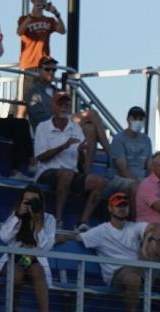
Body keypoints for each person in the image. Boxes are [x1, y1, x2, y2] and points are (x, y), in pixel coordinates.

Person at [61, 191, 160, 312]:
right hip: (117, 273)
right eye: (118, 205)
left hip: (139, 268)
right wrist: (61, 237)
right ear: (110, 208)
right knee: (133, 278)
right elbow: (78, 237)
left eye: (125, 205)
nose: (122, 208)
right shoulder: (101, 230)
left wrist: (149, 238)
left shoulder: (134, 226)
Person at [32, 92, 104, 229]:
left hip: (71, 171)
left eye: (66, 105)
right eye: (60, 104)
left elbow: (80, 162)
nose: (64, 107)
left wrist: (81, 152)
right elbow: (40, 156)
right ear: (53, 107)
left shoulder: (76, 128)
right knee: (66, 174)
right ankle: (58, 220)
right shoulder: (43, 127)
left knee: (100, 182)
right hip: (46, 172)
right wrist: (63, 146)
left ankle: (82, 222)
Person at [0, 187, 56, 312]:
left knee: (38, 270)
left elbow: (46, 247)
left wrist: (38, 222)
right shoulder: (15, 215)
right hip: (13, 259)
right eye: (27, 201)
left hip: (34, 261)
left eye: (34, 201)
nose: (30, 205)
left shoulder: (49, 219)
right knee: (17, 274)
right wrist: (17, 216)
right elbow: (4, 237)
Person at [15, 0, 63, 113]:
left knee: (44, 98)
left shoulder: (49, 20)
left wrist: (56, 13)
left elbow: (62, 30)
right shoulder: (24, 19)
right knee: (25, 100)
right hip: (29, 65)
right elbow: (19, 32)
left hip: (44, 66)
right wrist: (32, 15)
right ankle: (21, 124)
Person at [105, 106, 151, 197]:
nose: (138, 121)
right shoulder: (118, 139)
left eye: (141, 118)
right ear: (128, 119)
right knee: (135, 188)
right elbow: (122, 170)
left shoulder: (146, 140)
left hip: (142, 179)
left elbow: (150, 166)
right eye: (135, 118)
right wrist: (140, 184)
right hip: (119, 178)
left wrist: (150, 183)